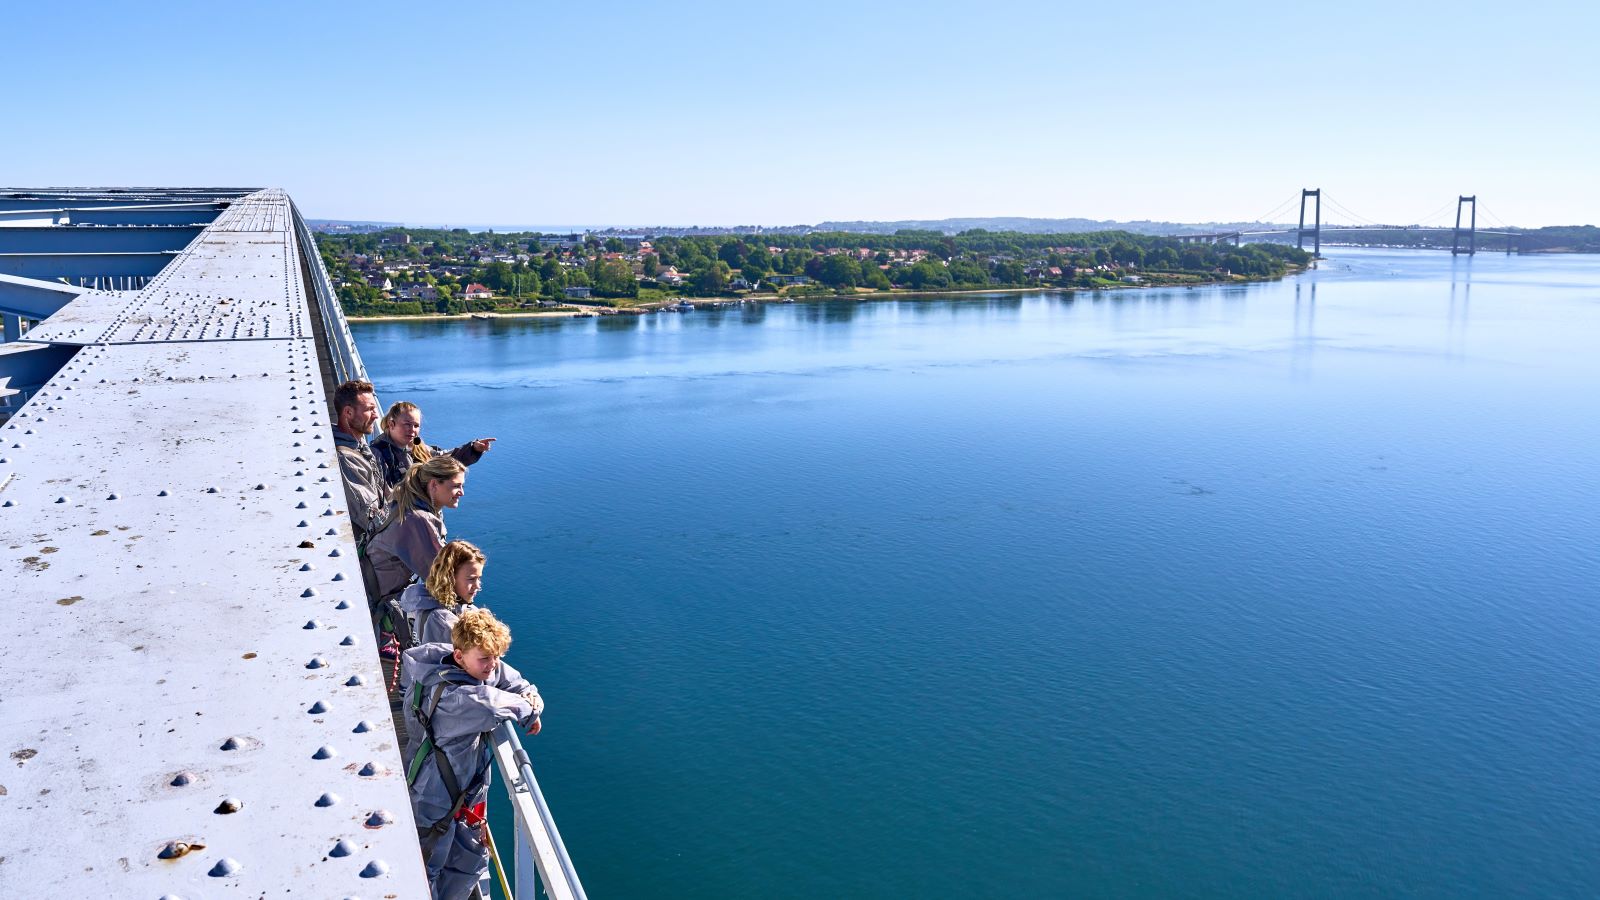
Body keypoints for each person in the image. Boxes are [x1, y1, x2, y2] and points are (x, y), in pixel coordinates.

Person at [401, 608, 542, 900]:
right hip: (437, 794)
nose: (492, 665)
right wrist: (531, 708)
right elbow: (495, 704)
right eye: (485, 659)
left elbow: (511, 680)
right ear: (459, 657)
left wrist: (523, 692)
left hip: (442, 783)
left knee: (454, 860)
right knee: (436, 866)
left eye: (495, 656)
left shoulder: (443, 663)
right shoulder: (461, 699)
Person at [367, 456, 466, 603]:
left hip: (373, 588)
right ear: (434, 485)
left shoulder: (406, 502)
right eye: (456, 486)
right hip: (379, 601)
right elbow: (440, 576)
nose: (461, 492)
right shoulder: (417, 520)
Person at [371, 401, 495, 489]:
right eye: (407, 424)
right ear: (391, 424)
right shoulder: (378, 453)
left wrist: (473, 449)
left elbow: (446, 460)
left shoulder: (418, 447)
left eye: (416, 425)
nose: (412, 430)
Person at [400, 540, 486, 648]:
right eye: (471, 579)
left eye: (479, 578)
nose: (477, 586)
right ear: (450, 578)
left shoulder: (422, 600)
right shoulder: (441, 621)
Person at [331, 379, 386, 542]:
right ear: (348, 413)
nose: (376, 415)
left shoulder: (358, 443)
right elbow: (372, 520)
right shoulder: (345, 459)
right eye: (370, 409)